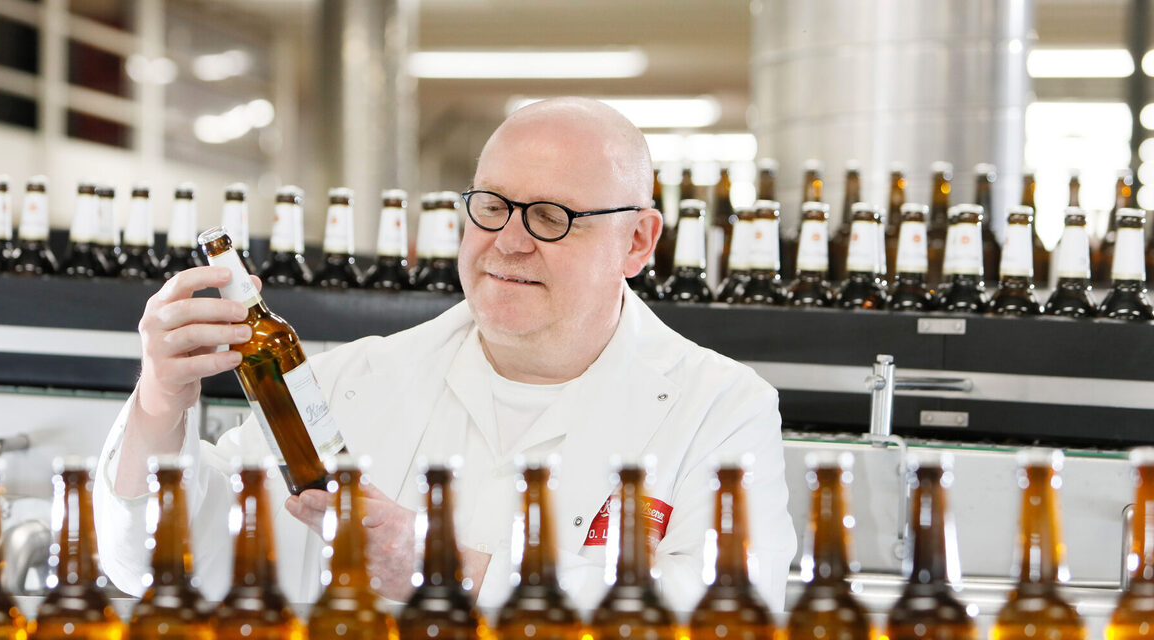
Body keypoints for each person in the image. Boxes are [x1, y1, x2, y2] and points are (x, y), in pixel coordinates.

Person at [94, 97, 796, 612]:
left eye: (553, 217)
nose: (509, 242)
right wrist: (162, 398)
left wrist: (451, 570)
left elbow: (728, 614)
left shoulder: (719, 409)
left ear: (638, 242)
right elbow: (154, 562)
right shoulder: (349, 384)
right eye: (491, 205)